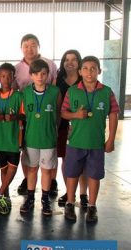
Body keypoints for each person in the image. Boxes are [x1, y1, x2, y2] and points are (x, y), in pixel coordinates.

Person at [62, 56, 119, 222]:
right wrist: (76, 115)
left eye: (93, 68)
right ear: (79, 71)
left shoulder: (107, 92)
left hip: (96, 143)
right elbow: (64, 112)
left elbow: (114, 114)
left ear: (99, 71)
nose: (89, 72)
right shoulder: (72, 91)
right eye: (85, 68)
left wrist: (111, 139)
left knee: (94, 175)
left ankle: (92, 206)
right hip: (75, 142)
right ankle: (70, 204)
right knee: (72, 174)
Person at [14, 34, 59, 196]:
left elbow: (54, 92)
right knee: (26, 152)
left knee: (49, 153)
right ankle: (28, 180)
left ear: (38, 46)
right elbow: (14, 91)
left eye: (33, 45)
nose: (29, 48)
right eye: (25, 45)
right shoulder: (17, 68)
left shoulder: (50, 64)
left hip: (46, 115)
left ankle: (51, 182)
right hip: (26, 116)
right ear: (21, 48)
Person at [19, 59, 61, 216]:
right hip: (31, 139)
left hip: (49, 139)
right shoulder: (25, 93)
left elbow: (58, 114)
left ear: (48, 75)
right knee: (31, 170)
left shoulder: (55, 92)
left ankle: (45, 200)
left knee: (47, 171)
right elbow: (22, 117)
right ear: (31, 75)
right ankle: (30, 198)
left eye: (43, 73)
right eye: (36, 74)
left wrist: (54, 129)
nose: (40, 77)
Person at [0, 63, 24, 215]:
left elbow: (24, 115)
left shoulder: (18, 96)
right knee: (3, 169)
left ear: (13, 77)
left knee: (13, 166)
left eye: (9, 76)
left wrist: (15, 116)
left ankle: (0, 192)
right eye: (3, 76)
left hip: (13, 140)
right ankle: (5, 199)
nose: (6, 79)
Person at [54, 50, 88, 207]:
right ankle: (70, 191)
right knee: (66, 161)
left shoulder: (85, 81)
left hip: (81, 127)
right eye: (66, 59)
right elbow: (55, 106)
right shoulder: (58, 80)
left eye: (74, 59)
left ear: (79, 63)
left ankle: (83, 194)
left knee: (82, 162)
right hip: (62, 126)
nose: (70, 62)